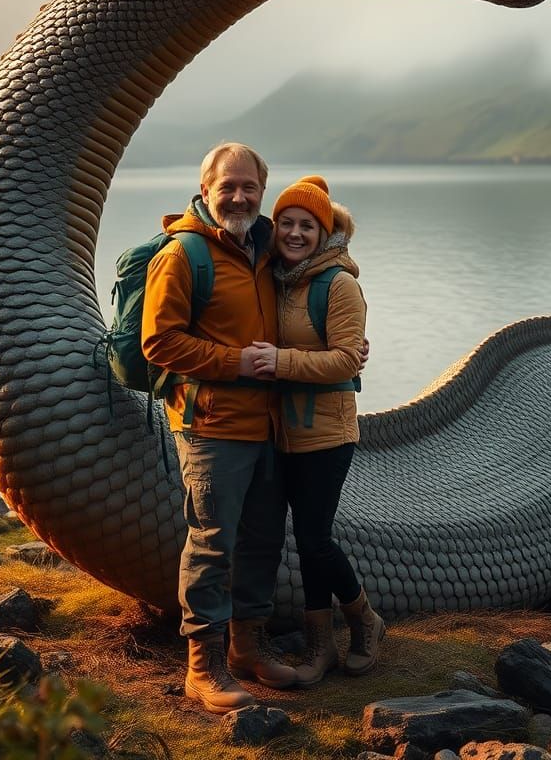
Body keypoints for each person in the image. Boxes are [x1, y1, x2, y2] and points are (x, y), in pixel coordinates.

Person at [141, 142, 297, 714]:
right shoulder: (183, 255)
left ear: (263, 192)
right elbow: (158, 342)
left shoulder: (264, 248)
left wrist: (345, 348)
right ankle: (202, 667)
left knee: (262, 538)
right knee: (211, 543)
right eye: (226, 186)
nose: (238, 196)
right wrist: (236, 363)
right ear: (205, 189)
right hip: (212, 425)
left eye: (249, 187)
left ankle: (248, 648)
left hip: (269, 426)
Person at [251, 175, 385, 687]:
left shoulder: (339, 283)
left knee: (314, 538)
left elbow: (350, 359)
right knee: (303, 541)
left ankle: (364, 621)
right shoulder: (275, 277)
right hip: (278, 433)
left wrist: (281, 361)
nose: (295, 233)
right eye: (286, 222)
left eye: (307, 225)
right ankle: (320, 646)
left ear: (324, 231)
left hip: (327, 435)